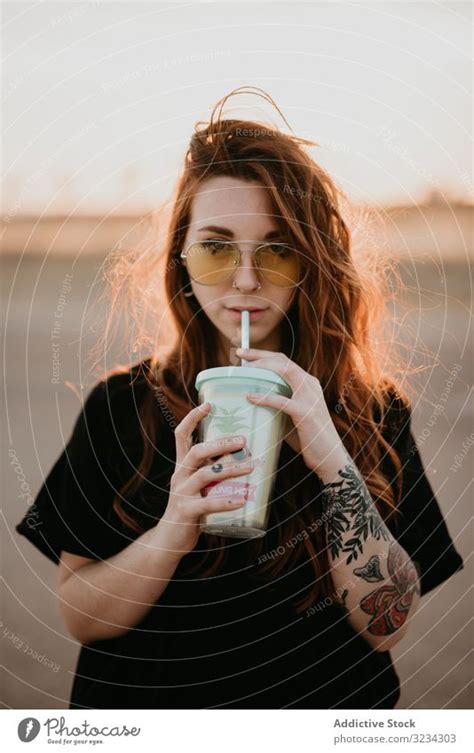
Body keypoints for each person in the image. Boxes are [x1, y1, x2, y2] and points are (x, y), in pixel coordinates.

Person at [16, 86, 463, 710]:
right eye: (217, 247)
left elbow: (387, 626)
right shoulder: (121, 406)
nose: (246, 279)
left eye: (276, 250)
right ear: (182, 257)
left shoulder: (373, 411)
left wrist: (334, 462)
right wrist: (173, 529)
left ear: (309, 262)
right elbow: (82, 618)